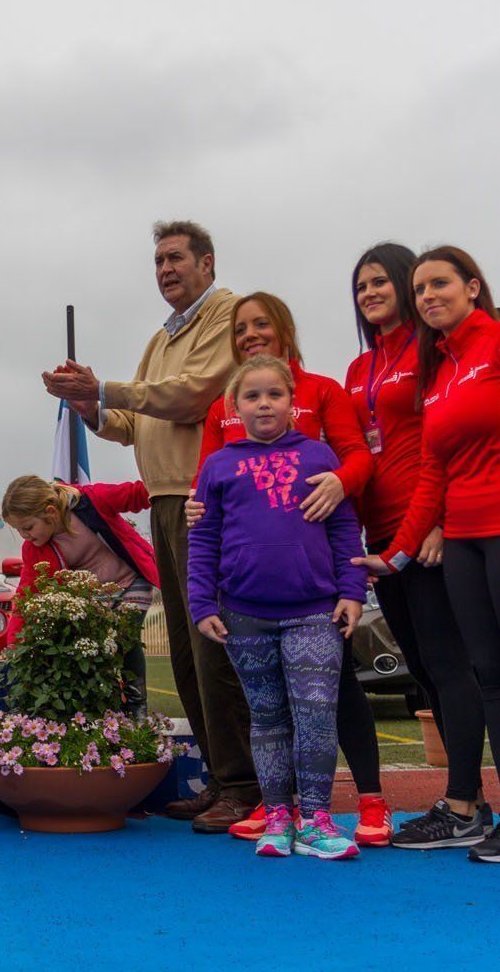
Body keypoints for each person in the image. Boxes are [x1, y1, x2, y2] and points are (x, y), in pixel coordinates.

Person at [357, 246, 500, 864]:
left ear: (471, 286)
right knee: (491, 678)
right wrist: (400, 553)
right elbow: (432, 472)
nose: (429, 295)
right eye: (422, 288)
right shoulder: (438, 371)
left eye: (440, 284)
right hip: (462, 540)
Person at [43, 220, 258, 833]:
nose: (165, 270)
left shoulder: (226, 315)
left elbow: (194, 399)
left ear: (208, 263)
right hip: (165, 501)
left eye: (175, 259)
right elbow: (136, 422)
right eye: (158, 261)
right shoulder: (165, 334)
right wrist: (89, 405)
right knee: (188, 652)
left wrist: (107, 387)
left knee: (214, 645)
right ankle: (223, 780)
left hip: (202, 499)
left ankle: (245, 786)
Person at [185, 292, 386, 846]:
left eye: (275, 394)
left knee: (317, 715)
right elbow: (202, 537)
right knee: (268, 720)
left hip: (314, 611)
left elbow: (346, 530)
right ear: (235, 408)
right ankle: (278, 816)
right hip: (244, 614)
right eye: (252, 396)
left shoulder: (322, 458)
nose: (264, 403)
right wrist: (202, 603)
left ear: (294, 402)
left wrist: (351, 590)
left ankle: (320, 818)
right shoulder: (220, 466)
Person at [343, 243, 492, 850]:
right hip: (382, 536)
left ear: (406, 284)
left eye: (380, 281)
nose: (370, 293)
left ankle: (465, 803)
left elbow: (451, 437)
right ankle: (463, 801)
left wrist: (439, 523)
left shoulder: (432, 350)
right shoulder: (359, 369)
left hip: (428, 530)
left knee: (449, 662)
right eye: (360, 287)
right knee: (422, 667)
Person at [1, 475, 158, 713]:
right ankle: (108, 705)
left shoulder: (90, 502)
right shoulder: (35, 549)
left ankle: (137, 705)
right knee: (96, 648)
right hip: (95, 596)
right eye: (18, 531)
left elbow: (134, 494)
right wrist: (14, 645)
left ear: (51, 512)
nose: (25, 536)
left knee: (125, 637)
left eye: (28, 527)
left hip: (131, 579)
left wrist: (167, 488)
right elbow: (27, 596)